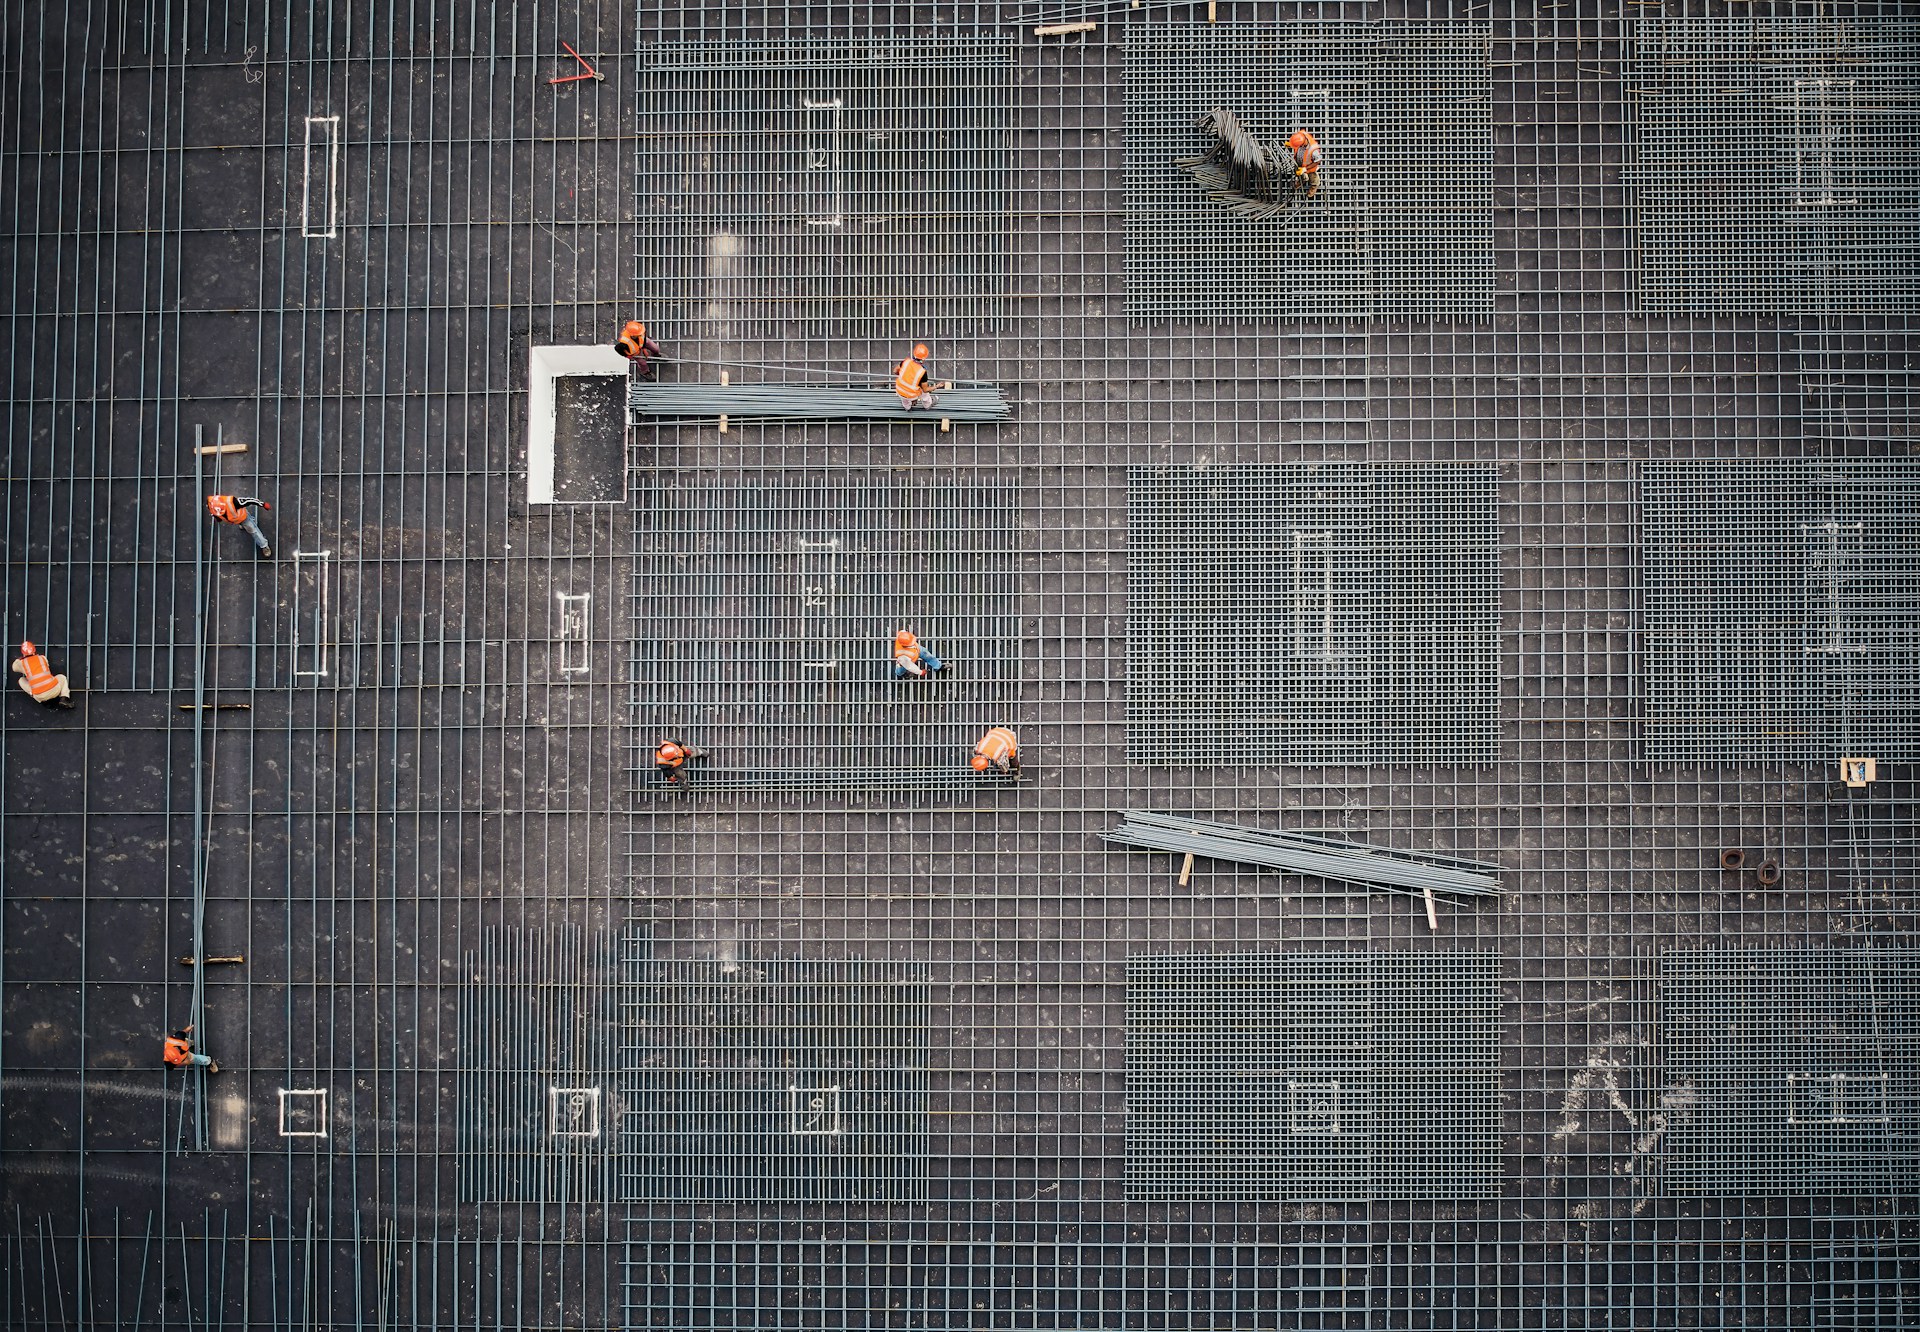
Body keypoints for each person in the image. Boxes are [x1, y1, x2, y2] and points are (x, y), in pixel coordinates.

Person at [206, 494, 272, 557]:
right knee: (248, 524)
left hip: (244, 518)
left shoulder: (233, 502)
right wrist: (218, 518)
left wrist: (263, 504)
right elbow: (215, 513)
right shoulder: (211, 504)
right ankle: (250, 522)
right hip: (235, 520)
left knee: (254, 531)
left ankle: (264, 545)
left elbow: (249, 500)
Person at [13, 641, 74, 708]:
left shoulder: (21, 663)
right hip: (54, 690)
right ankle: (64, 698)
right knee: (62, 677)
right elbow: (46, 666)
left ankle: (44, 701)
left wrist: (19, 659)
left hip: (39, 696)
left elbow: (14, 668)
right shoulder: (42, 658)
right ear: (34, 650)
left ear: (23, 653)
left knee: (21, 680)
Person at [893, 343, 937, 411]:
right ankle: (927, 404)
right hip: (911, 395)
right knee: (923, 390)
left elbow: (895, 371)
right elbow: (925, 389)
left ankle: (907, 407)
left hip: (899, 390)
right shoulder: (922, 372)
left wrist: (905, 376)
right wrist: (936, 387)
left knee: (905, 399)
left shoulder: (906, 362)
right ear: (923, 359)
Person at [1287, 130, 1322, 198]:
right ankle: (1302, 181)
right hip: (1300, 164)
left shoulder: (1313, 149)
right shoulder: (1301, 135)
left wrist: (1305, 169)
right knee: (1301, 175)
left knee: (1313, 178)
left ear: (1303, 143)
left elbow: (1318, 161)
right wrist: (1291, 144)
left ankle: (1314, 187)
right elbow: (1297, 140)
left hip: (1310, 167)